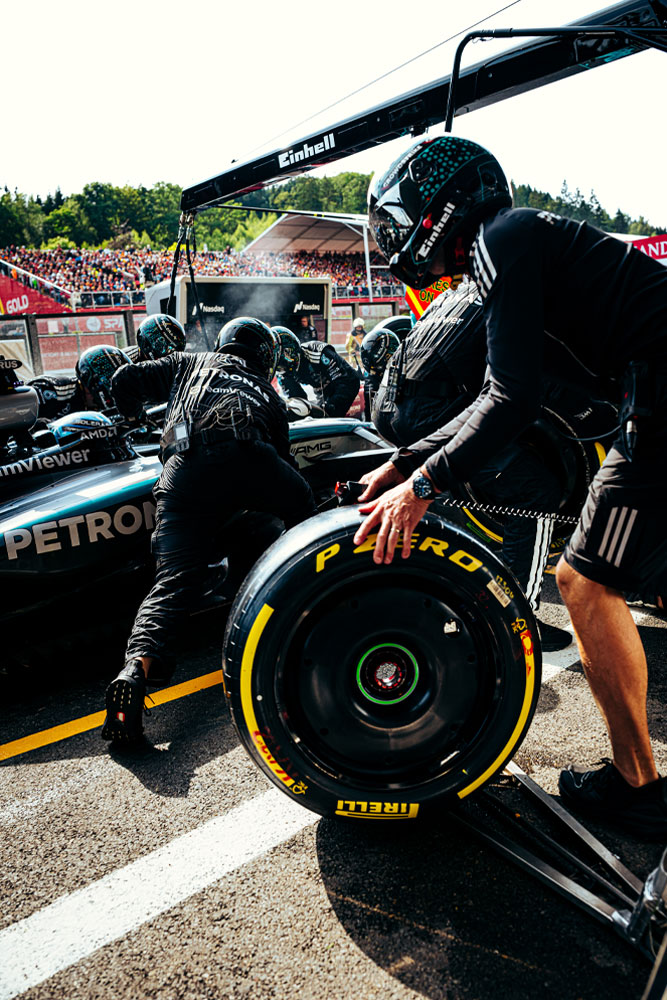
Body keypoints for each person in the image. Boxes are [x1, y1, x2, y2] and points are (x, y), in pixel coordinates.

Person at [355, 134, 667, 837]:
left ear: (434, 207)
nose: (390, 238)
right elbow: (501, 395)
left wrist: (424, 485)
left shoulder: (501, 241)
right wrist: (406, 464)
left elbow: (509, 399)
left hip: (659, 404)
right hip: (650, 398)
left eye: (393, 221)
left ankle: (637, 787)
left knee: (583, 583)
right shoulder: (512, 248)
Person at [101, 316, 316, 746]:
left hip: (182, 473)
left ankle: (135, 668)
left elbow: (124, 377)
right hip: (250, 456)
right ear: (265, 356)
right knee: (304, 523)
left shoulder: (188, 361)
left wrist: (137, 418)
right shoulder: (268, 394)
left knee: (173, 581)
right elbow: (280, 460)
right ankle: (311, 612)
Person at [368, 282, 618, 651]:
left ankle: (429, 597)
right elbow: (512, 391)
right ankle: (519, 620)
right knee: (535, 492)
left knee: (442, 497)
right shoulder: (520, 291)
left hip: (388, 405)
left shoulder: (456, 291)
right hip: (432, 408)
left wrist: (407, 460)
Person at [276, 332, 360, 418]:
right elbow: (297, 398)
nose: (282, 368)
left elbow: (343, 379)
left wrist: (329, 407)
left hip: (346, 380)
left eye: (283, 363)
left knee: (329, 414)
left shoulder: (317, 351)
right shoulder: (281, 372)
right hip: (322, 388)